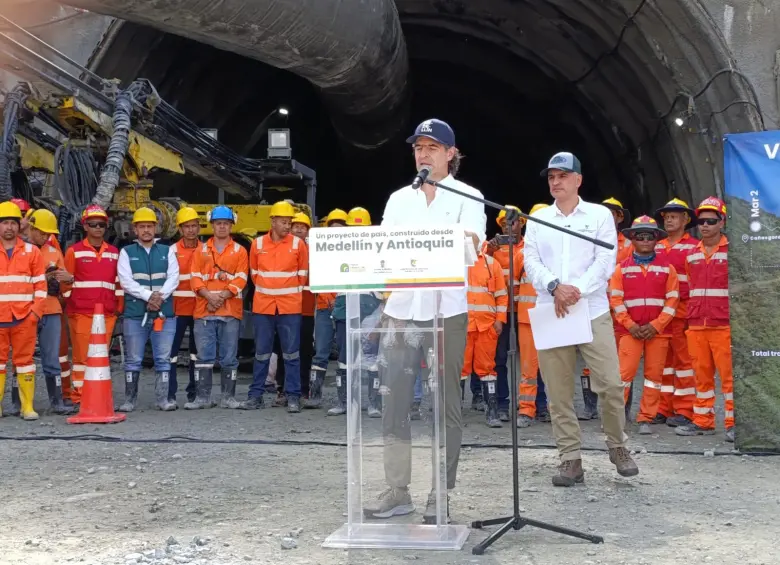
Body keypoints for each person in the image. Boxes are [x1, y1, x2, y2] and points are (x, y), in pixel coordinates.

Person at [363, 118, 486, 523]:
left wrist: (451, 244)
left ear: (451, 154)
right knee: (394, 400)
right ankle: (398, 489)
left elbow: (472, 251)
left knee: (444, 402)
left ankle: (441, 493)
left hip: (445, 310)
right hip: (401, 311)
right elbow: (384, 251)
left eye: (432, 147)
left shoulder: (469, 197)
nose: (424, 153)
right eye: (418, 147)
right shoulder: (400, 199)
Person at [523, 151, 638, 487]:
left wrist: (575, 291)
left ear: (578, 180)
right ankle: (570, 459)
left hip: (591, 310)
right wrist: (555, 287)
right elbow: (530, 260)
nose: (555, 182)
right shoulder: (539, 218)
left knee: (612, 384)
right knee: (558, 393)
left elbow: (605, 260)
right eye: (551, 177)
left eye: (562, 176)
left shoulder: (600, 215)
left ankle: (617, 446)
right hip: (552, 309)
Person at [608, 216, 680, 433]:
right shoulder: (621, 269)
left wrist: (656, 325)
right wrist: (630, 325)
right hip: (630, 332)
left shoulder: (668, 269)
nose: (645, 240)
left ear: (657, 239)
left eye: (650, 236)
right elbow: (616, 300)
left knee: (653, 377)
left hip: (658, 333)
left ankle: (645, 418)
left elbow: (673, 300)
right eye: (640, 236)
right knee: (623, 376)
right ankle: (615, 419)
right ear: (633, 239)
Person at [675, 197, 734, 443]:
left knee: (729, 378)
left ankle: (733, 424)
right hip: (697, 324)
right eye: (702, 221)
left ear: (722, 222)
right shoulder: (691, 256)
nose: (705, 225)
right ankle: (703, 420)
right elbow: (690, 288)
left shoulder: (733, 253)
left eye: (711, 220)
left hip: (723, 325)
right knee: (701, 375)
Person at [242, 200, 308, 413]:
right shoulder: (257, 244)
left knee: (291, 354)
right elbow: (254, 274)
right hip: (264, 308)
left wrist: (284, 291)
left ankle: (293, 396)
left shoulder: (298, 245)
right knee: (261, 353)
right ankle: (256, 396)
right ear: (272, 221)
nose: (287, 226)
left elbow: (302, 275)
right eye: (283, 221)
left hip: (289, 308)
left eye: (289, 222)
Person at [117, 207, 179, 412]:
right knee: (133, 360)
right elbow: (126, 281)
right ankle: (129, 400)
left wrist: (159, 297)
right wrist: (149, 296)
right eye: (142, 226)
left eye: (149, 226)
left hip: (164, 313)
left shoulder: (167, 251)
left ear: (156, 228)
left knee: (163, 358)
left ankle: (162, 400)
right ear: (135, 229)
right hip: (136, 314)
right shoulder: (126, 253)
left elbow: (173, 277)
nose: (146, 230)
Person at [578, 196, 634, 421]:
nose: (608, 217)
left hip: (621, 308)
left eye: (613, 213)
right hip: (595, 305)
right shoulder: (585, 241)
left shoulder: (631, 244)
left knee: (622, 359)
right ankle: (590, 407)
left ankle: (621, 410)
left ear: (620, 217)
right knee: (590, 357)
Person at [188, 205, 248, 409]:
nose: (222, 227)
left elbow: (242, 279)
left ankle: (228, 398)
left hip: (229, 311)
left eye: (225, 223)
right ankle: (203, 398)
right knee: (204, 357)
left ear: (231, 225)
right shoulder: (200, 250)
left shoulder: (240, 251)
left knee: (229, 358)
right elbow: (195, 278)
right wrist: (210, 297)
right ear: (212, 225)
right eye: (218, 223)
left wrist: (220, 297)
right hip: (205, 311)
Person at [63, 205, 122, 407]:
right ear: (85, 226)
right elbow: (65, 284)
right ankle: (79, 396)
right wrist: (71, 306)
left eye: (102, 224)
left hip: (106, 314)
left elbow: (118, 284)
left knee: (100, 357)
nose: (98, 228)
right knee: (81, 358)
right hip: (81, 313)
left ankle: (97, 394)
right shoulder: (74, 252)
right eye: (93, 224)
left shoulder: (114, 253)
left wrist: (117, 308)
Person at [328, 207, 384, 417]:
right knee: (344, 356)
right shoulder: (337, 252)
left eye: (362, 228)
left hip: (370, 307)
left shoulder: (379, 251)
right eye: (354, 228)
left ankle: (374, 404)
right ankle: (345, 403)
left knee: (371, 357)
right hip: (345, 307)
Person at [653, 198, 699, 427]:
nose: (669, 220)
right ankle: (663, 407)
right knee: (663, 363)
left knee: (683, 363)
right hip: (661, 316)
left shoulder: (693, 248)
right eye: (667, 216)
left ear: (685, 220)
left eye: (674, 216)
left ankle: (685, 409)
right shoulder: (657, 246)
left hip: (682, 314)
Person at [0, 201, 46, 420]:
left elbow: (41, 286)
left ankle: (27, 407)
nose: (9, 227)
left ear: (19, 226)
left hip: (23, 318)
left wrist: (35, 314)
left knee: (25, 363)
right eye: (4, 223)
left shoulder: (32, 252)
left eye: (13, 223)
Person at [27, 209, 76, 415]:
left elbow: (64, 286)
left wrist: (68, 279)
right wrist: (42, 280)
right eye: (42, 233)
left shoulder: (54, 252)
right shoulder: (21, 251)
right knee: (23, 359)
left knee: (52, 358)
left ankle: (57, 402)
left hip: (52, 308)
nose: (46, 237)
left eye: (48, 234)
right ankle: (19, 403)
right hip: (27, 310)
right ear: (31, 228)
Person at [483, 205, 524, 421]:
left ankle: (538, 404)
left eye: (513, 222)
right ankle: (501, 404)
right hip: (501, 313)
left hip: (524, 311)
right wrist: (488, 252)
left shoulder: (530, 247)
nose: (509, 227)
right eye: (504, 224)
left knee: (531, 361)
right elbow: (481, 272)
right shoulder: (493, 248)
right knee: (498, 360)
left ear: (521, 224)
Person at [515, 202, 550, 427]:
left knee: (553, 367)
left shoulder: (559, 253)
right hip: (528, 319)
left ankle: (550, 409)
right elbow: (515, 288)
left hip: (552, 317)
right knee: (529, 368)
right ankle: (527, 410)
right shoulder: (521, 254)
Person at [462, 252, 507, 427]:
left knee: (487, 369)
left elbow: (502, 295)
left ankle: (492, 413)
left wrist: (500, 319)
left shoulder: (491, 263)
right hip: (462, 326)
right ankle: (453, 414)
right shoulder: (453, 260)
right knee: (459, 369)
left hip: (486, 326)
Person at [309, 209, 347, 410]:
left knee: (343, 354)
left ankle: (344, 399)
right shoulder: (320, 254)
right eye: (333, 230)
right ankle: (314, 396)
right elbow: (317, 280)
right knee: (320, 352)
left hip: (343, 309)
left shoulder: (352, 252)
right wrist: (329, 298)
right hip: (325, 307)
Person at [168, 207, 201, 405]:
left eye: (194, 226)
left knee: (196, 355)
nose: (190, 230)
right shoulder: (172, 251)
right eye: (187, 227)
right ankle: (170, 394)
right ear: (180, 229)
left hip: (199, 310)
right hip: (177, 309)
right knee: (171, 354)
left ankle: (195, 393)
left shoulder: (206, 250)